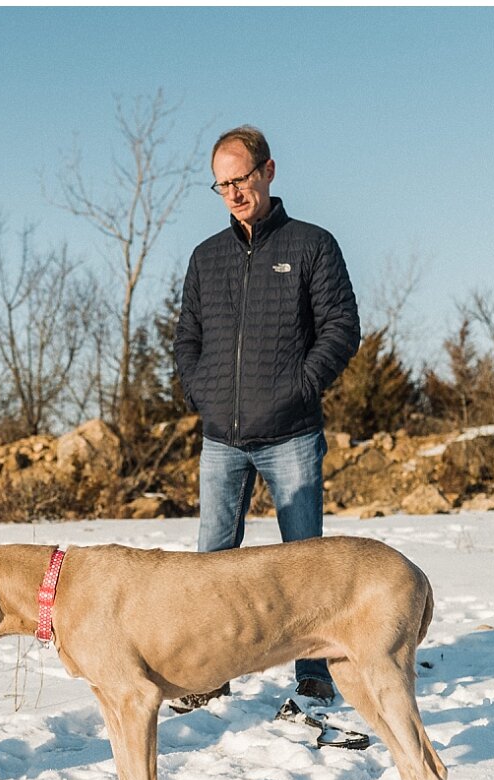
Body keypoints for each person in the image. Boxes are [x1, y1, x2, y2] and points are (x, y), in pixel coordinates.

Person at [172, 125, 361, 718]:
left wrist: (298, 388)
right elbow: (187, 340)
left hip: (292, 435)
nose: (232, 193)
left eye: (241, 179)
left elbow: (341, 328)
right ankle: (207, 676)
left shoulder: (312, 245)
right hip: (222, 440)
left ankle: (314, 679)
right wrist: (203, 393)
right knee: (212, 564)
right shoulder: (207, 257)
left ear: (268, 172)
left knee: (305, 561)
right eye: (221, 184)